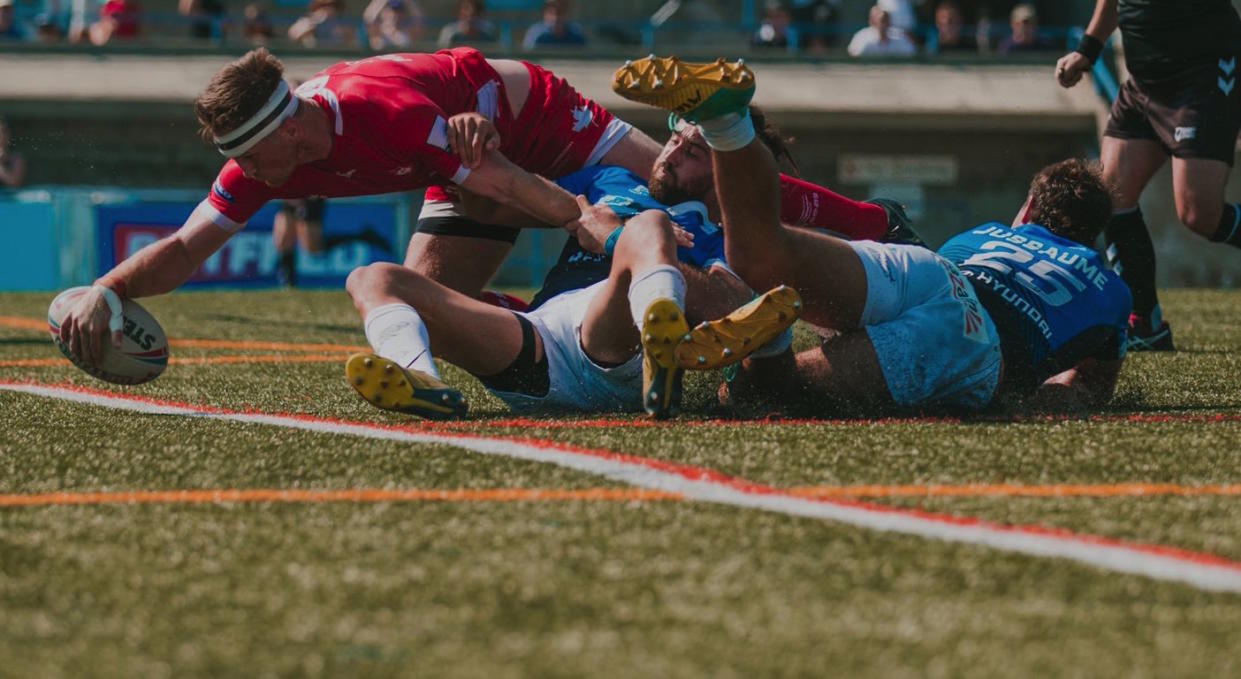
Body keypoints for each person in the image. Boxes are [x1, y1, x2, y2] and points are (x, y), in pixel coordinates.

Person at [54, 47, 661, 367]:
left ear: (290, 131)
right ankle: (544, 327)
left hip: (542, 123)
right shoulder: (266, 162)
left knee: (680, 182)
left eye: (252, 155)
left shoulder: (381, 113)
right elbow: (187, 247)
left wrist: (598, 229)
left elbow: (503, 182)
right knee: (430, 315)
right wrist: (106, 289)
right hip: (466, 167)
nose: (246, 171)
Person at [612, 56, 1134, 415]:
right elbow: (1085, 386)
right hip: (974, 342)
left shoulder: (990, 234)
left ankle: (728, 124)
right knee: (773, 394)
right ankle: (764, 359)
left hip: (934, 271)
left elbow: (926, 272)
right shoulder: (1112, 290)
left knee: (760, 252)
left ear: (1031, 207)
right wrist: (1029, 393)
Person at [343, 111, 807, 419]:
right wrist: (473, 150)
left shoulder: (728, 234)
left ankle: (659, 349)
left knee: (649, 227)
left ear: (724, 171)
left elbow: (737, 306)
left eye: (693, 153)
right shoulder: (612, 179)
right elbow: (491, 208)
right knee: (372, 277)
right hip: (540, 345)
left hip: (616, 347)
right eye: (673, 139)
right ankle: (422, 380)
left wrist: (616, 239)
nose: (670, 155)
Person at [1055, 0, 1241, 352]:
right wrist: (1087, 50)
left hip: (1201, 78)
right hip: (1143, 83)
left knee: (1200, 214)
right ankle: (1146, 325)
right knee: (1111, 195)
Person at [847, 5, 916, 58]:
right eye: (880, 21)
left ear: (890, 22)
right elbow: (854, 55)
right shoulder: (862, 37)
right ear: (871, 22)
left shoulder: (899, 37)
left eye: (886, 20)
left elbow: (911, 54)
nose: (883, 25)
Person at [287, 0, 356, 48]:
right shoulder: (307, 21)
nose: (329, 8)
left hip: (336, 58)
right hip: (312, 61)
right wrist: (314, 23)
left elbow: (353, 44)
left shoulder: (342, 23)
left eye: (333, 5)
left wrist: (343, 33)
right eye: (323, 5)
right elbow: (293, 37)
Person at [0, 118, 27, 188]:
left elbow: (14, 184)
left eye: (3, 131)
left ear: (9, 135)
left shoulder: (16, 159)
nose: (1, 135)